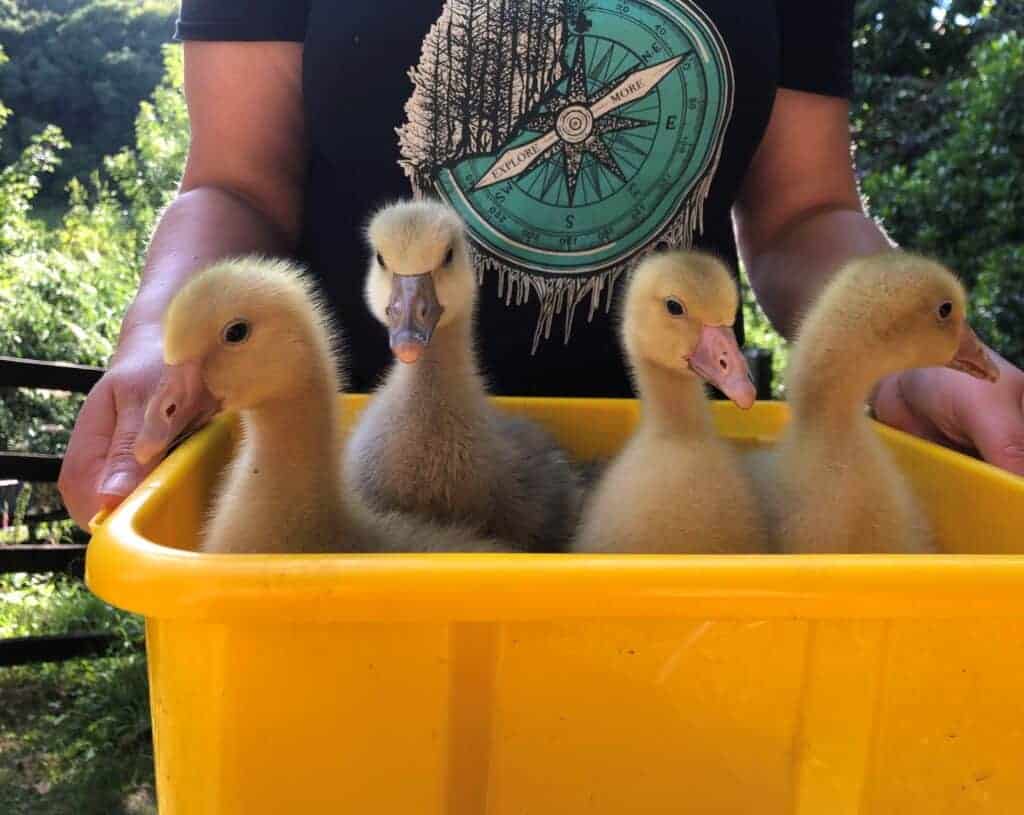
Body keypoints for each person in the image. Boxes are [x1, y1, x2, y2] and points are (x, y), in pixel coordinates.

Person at [58, 0, 1024, 528]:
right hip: (331, 505)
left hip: (670, 515)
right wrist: (160, 341)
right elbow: (237, 181)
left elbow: (804, 214)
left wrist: (902, 351)